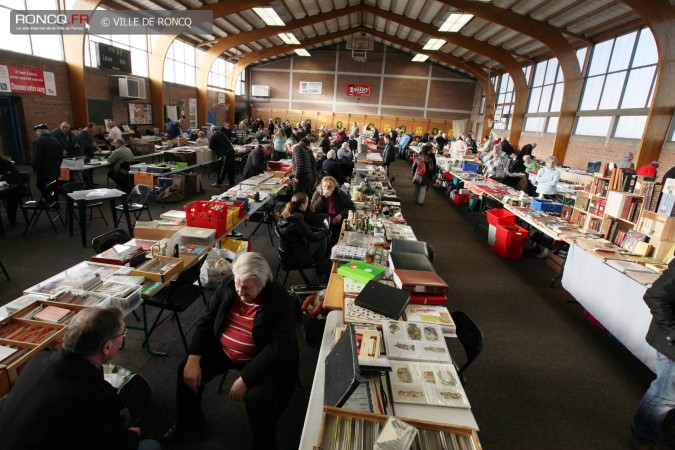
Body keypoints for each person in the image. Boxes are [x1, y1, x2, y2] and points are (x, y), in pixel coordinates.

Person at [162, 252, 299, 450]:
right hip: (224, 349)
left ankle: (263, 444)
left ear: (262, 283)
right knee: (186, 369)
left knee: (258, 399)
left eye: (247, 288)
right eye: (238, 285)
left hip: (261, 356)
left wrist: (246, 379)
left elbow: (281, 348)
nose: (240, 292)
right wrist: (193, 358)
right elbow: (206, 320)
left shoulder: (279, 299)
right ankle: (189, 422)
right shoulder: (228, 286)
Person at [0, 306, 159, 450]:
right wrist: (131, 437)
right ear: (107, 347)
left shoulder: (41, 357)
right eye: (123, 333)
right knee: (151, 445)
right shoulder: (92, 396)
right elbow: (110, 441)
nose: (123, 337)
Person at [631, 260, 675, 450]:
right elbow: (655, 296)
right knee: (665, 395)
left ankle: (662, 428)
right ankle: (643, 437)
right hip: (671, 343)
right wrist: (672, 332)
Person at [276, 192, 332, 282]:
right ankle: (321, 265)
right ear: (302, 205)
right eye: (307, 203)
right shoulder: (297, 219)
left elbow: (306, 227)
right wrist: (326, 232)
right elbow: (312, 237)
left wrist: (319, 229)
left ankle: (321, 264)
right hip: (295, 257)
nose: (308, 204)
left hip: (285, 252)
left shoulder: (287, 214)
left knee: (321, 235)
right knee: (322, 238)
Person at [310, 175, 355, 246]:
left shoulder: (340, 194)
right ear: (321, 186)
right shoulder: (318, 193)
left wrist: (341, 215)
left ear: (334, 188)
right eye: (324, 186)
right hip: (322, 224)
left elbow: (352, 208)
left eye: (329, 187)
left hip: (337, 223)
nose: (326, 188)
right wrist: (323, 197)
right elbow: (313, 210)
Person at [31, 123, 63, 199]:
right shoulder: (56, 141)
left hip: (44, 169)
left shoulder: (38, 141)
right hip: (55, 168)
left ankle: (49, 200)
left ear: (40, 131)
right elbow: (60, 155)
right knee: (54, 186)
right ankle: (55, 203)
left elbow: (37, 157)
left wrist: (35, 169)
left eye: (36, 131)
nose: (36, 133)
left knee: (40, 185)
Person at [0, 157, 26, 225]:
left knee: (12, 197)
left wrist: (2, 178)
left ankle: (12, 219)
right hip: (13, 188)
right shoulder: (5, 163)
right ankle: (12, 218)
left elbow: (11, 180)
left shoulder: (6, 165)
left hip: (15, 189)